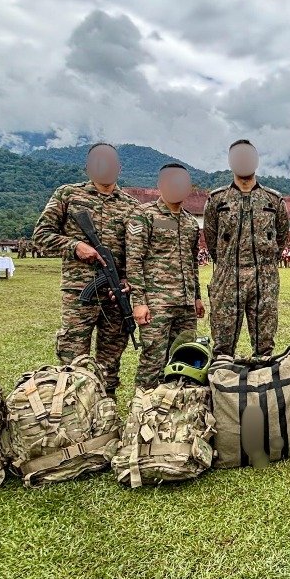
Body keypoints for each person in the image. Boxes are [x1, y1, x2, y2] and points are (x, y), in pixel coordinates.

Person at [32, 142, 139, 397]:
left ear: (119, 167)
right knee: (73, 353)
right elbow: (41, 236)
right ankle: (73, 408)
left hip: (115, 294)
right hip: (79, 291)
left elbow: (137, 252)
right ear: (88, 167)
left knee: (111, 354)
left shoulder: (132, 206)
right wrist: (75, 245)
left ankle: (106, 407)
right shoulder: (68, 195)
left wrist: (127, 281)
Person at [203, 140, 290, 358]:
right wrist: (227, 263)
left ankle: (262, 389)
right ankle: (223, 388)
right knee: (222, 344)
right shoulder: (217, 200)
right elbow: (212, 239)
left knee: (265, 345)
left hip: (264, 278)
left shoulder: (273, 200)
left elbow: (281, 236)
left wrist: (266, 262)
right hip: (227, 277)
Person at [126, 163, 206, 390]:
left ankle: (174, 413)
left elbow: (193, 263)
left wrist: (197, 297)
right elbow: (134, 259)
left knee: (185, 358)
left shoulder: (190, 222)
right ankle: (143, 411)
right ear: (160, 184)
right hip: (157, 303)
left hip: (185, 305)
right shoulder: (145, 216)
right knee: (153, 360)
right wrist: (139, 302)